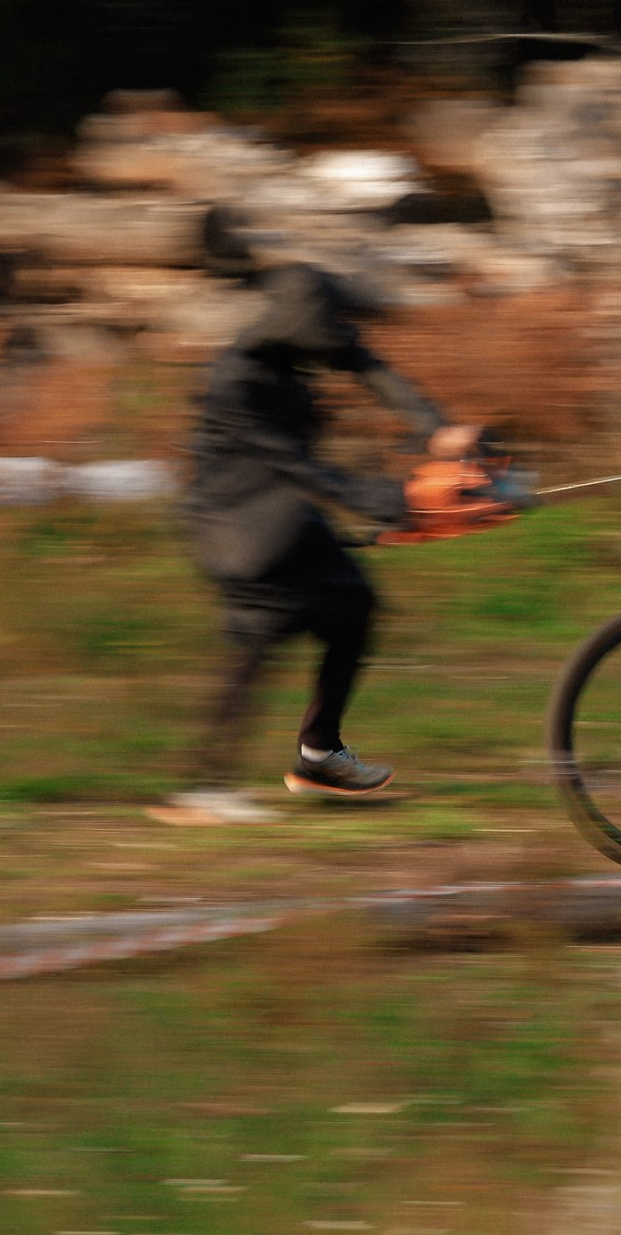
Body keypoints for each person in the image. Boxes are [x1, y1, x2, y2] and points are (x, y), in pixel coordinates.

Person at [151, 263, 478, 827]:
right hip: (235, 524)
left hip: (281, 515)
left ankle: (319, 756)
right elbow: (297, 466)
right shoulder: (237, 382)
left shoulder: (294, 342)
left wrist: (434, 427)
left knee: (354, 606)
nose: (334, 342)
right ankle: (205, 790)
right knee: (256, 639)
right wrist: (399, 501)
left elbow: (366, 363)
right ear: (300, 327)